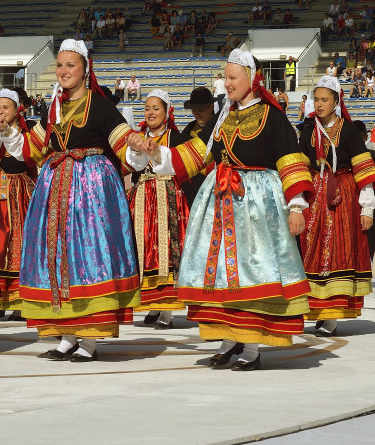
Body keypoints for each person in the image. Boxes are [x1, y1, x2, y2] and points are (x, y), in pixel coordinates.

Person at [163, 48, 313, 369]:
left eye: (232, 78)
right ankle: (230, 340)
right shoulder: (222, 117)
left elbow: (290, 162)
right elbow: (195, 154)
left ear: (252, 78)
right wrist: (154, 153)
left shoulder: (273, 117)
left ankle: (252, 348)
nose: (227, 83)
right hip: (222, 205)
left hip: (258, 208)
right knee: (223, 275)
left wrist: (297, 206)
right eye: (226, 78)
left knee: (252, 273)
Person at [5, 38, 141, 362]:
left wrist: (138, 145)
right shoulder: (53, 108)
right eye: (59, 65)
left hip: (90, 193)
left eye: (70, 65)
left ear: (84, 69)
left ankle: (89, 338)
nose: (63, 71)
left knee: (87, 258)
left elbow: (123, 142)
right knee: (58, 258)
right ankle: (67, 335)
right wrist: (4, 132)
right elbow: (31, 149)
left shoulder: (100, 105)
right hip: (55, 190)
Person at [297, 76, 375, 335]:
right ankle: (315, 308)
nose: (319, 104)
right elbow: (300, 168)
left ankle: (332, 314)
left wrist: (367, 208)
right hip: (314, 197)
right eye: (316, 99)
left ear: (336, 102)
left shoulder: (349, 131)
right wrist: (296, 203)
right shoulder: (309, 132)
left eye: (324, 100)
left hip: (343, 195)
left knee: (338, 251)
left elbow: (363, 170)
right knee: (311, 250)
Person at [127, 89, 191, 330]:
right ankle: (152, 304)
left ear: (167, 112)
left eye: (156, 108)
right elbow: (133, 167)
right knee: (145, 249)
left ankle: (167, 309)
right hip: (143, 199)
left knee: (166, 249)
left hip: (168, 198)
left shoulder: (175, 137)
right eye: (147, 109)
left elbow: (180, 166)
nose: (151, 113)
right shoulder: (138, 137)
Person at [0, 88, 37, 320]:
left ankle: (20, 301)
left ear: (17, 110)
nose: (1, 111)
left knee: (20, 244)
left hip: (22, 191)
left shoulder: (28, 130)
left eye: (5, 107)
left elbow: (30, 157)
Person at [180, 86, 217, 201]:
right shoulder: (188, 129)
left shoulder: (221, 127)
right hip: (192, 190)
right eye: (193, 109)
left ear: (211, 107)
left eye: (200, 109)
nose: (196, 113)